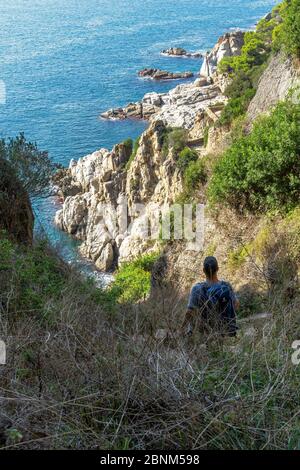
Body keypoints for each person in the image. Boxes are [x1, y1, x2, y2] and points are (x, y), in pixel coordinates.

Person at [183, 256, 239, 337]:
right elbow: (236, 305)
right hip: (225, 331)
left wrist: (181, 329)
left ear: (203, 270)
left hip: (206, 333)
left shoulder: (197, 288)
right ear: (218, 269)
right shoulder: (226, 285)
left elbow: (190, 312)